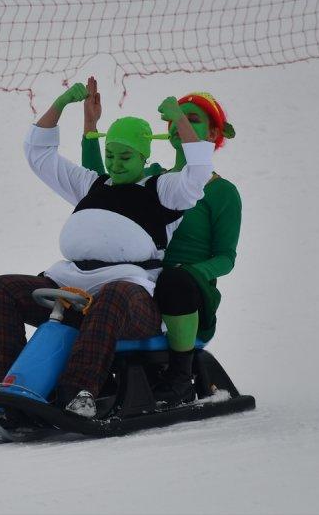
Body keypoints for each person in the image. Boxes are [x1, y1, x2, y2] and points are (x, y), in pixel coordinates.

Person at [0, 79, 216, 418]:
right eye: (110, 155)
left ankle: (79, 393)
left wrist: (180, 119)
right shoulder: (91, 184)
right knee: (0, 289)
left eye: (125, 156)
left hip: (130, 300)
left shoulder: (162, 189)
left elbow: (197, 173)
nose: (116, 164)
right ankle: (8, 387)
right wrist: (61, 104)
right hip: (71, 288)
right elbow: (39, 155)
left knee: (112, 294)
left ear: (144, 155)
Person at [82, 78, 240, 405]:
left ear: (213, 135)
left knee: (174, 279)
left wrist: (191, 272)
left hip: (188, 293)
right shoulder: (153, 179)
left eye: (191, 119)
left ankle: (181, 377)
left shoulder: (222, 192)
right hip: (144, 283)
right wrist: (91, 128)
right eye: (175, 119)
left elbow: (226, 258)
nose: (178, 124)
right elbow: (99, 190)